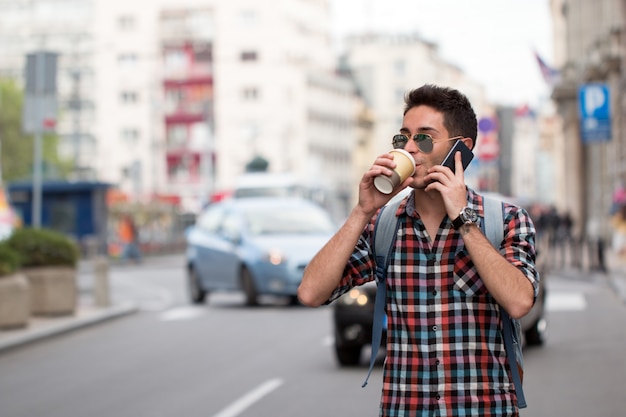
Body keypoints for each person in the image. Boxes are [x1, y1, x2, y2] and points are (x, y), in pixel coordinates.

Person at [298, 84, 539, 416]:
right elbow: (311, 293)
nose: (410, 148)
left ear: (461, 148)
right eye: (403, 138)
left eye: (424, 138)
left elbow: (519, 301)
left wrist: (464, 219)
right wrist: (361, 211)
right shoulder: (383, 226)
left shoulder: (507, 220)